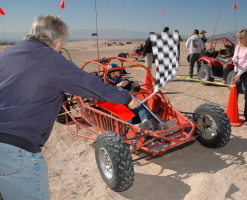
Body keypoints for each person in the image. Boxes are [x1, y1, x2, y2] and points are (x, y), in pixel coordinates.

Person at [0, 14, 141, 200]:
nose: (61, 47)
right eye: (62, 43)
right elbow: (92, 85)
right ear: (57, 38)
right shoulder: (51, 59)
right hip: (16, 149)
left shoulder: (7, 54)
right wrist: (127, 99)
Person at [102, 63, 154, 130]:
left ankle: (146, 121)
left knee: (140, 103)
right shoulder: (106, 85)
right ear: (108, 76)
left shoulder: (125, 83)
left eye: (117, 74)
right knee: (120, 108)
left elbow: (134, 90)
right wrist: (117, 86)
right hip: (117, 110)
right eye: (113, 74)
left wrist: (136, 86)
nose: (116, 76)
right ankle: (133, 126)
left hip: (129, 107)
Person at [227, 29, 247, 125]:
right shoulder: (237, 47)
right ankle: (233, 114)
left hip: (245, 74)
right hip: (236, 72)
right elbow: (235, 58)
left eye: (241, 38)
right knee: (234, 94)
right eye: (238, 38)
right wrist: (232, 60)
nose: (239, 39)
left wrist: (239, 74)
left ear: (246, 38)